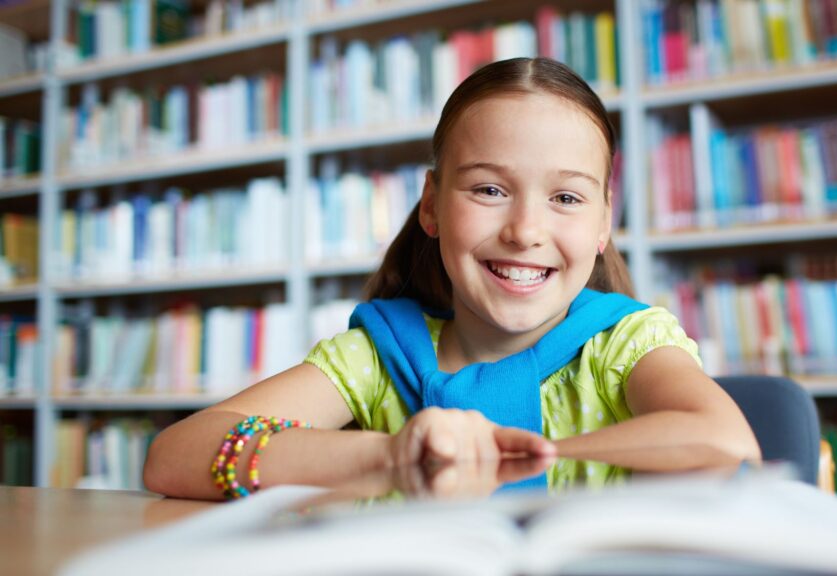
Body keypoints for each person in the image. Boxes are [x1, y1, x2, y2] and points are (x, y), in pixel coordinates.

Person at [143, 57, 760, 501]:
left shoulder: (626, 347)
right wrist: (390, 455)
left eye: (566, 198)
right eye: (489, 189)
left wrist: (536, 456)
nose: (525, 230)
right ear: (432, 206)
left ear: (604, 222)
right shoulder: (377, 360)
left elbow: (727, 445)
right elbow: (172, 458)